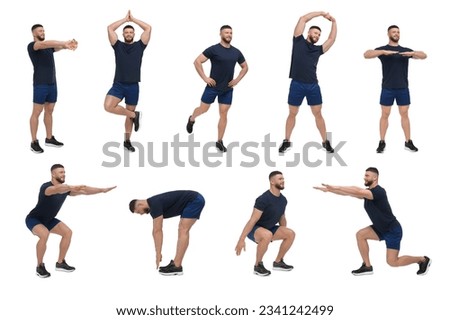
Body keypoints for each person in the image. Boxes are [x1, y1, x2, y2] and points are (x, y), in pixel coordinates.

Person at [314, 167, 431, 276]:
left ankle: (422, 260)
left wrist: (336, 187)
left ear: (375, 177)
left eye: (367, 176)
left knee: (392, 262)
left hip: (392, 230)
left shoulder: (378, 192)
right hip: (380, 228)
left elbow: (357, 190)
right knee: (360, 234)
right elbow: (350, 192)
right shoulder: (368, 193)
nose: (364, 178)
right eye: (365, 175)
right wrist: (329, 190)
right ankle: (367, 266)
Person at [25, 164, 116, 278]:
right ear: (53, 174)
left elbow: (84, 190)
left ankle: (60, 263)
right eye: (60, 172)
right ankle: (40, 266)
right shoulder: (46, 187)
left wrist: (102, 190)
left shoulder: (67, 189)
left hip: (49, 220)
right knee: (44, 234)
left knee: (67, 232)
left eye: (64, 172)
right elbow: (56, 189)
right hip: (34, 219)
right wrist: (71, 187)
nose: (63, 174)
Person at [279, 11, 337, 154]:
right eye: (315, 33)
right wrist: (322, 14)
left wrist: (334, 22)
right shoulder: (298, 40)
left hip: (312, 85)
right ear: (308, 33)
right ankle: (286, 141)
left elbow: (331, 39)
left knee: (318, 114)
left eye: (318, 35)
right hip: (297, 84)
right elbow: (303, 18)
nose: (317, 36)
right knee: (292, 113)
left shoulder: (318, 50)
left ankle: (325, 142)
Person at [364, 25, 427, 153]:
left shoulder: (405, 51)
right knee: (385, 114)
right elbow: (366, 54)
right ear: (388, 34)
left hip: (403, 88)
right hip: (387, 88)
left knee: (404, 114)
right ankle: (382, 142)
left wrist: (413, 53)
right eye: (394, 32)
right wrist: (382, 52)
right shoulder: (383, 50)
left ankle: (408, 142)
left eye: (398, 32)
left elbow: (424, 55)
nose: (396, 34)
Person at [186, 25, 248, 152]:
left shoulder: (236, 52)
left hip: (227, 89)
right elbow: (197, 61)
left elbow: (245, 67)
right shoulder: (214, 49)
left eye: (231, 33)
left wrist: (236, 80)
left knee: (224, 114)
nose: (229, 34)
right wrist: (205, 78)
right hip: (212, 87)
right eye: (226, 32)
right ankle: (192, 119)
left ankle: (219, 141)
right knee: (203, 109)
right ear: (220, 34)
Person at [104, 10, 151, 152]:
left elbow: (148, 28)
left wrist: (134, 19)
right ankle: (134, 115)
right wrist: (125, 20)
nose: (129, 34)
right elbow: (110, 28)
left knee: (128, 117)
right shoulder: (117, 45)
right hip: (118, 84)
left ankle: (127, 141)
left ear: (134, 34)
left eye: (131, 32)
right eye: (126, 32)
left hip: (133, 86)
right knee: (108, 106)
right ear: (123, 34)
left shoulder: (140, 46)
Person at [28, 24, 78, 154]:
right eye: (40, 30)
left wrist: (67, 46)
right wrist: (64, 42)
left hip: (52, 84)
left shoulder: (49, 47)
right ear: (34, 34)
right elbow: (46, 44)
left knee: (49, 111)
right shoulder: (34, 46)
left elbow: (58, 47)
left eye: (43, 30)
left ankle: (49, 138)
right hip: (40, 84)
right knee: (36, 112)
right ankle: (34, 142)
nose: (43, 32)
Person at [129, 190, 205, 276]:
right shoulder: (153, 205)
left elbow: (157, 230)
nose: (141, 214)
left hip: (194, 200)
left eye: (139, 212)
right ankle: (176, 264)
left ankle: (177, 266)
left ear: (140, 204)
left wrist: (158, 254)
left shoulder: (154, 204)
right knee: (182, 229)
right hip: (194, 200)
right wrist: (158, 252)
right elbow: (156, 231)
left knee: (183, 229)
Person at [235, 171, 295, 276]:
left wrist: (282, 232)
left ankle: (278, 262)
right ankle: (257, 266)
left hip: (270, 229)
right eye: (280, 179)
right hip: (255, 229)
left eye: (283, 179)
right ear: (272, 181)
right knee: (267, 234)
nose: (283, 181)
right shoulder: (263, 199)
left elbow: (282, 218)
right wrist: (241, 239)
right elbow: (252, 220)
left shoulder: (283, 200)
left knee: (290, 233)